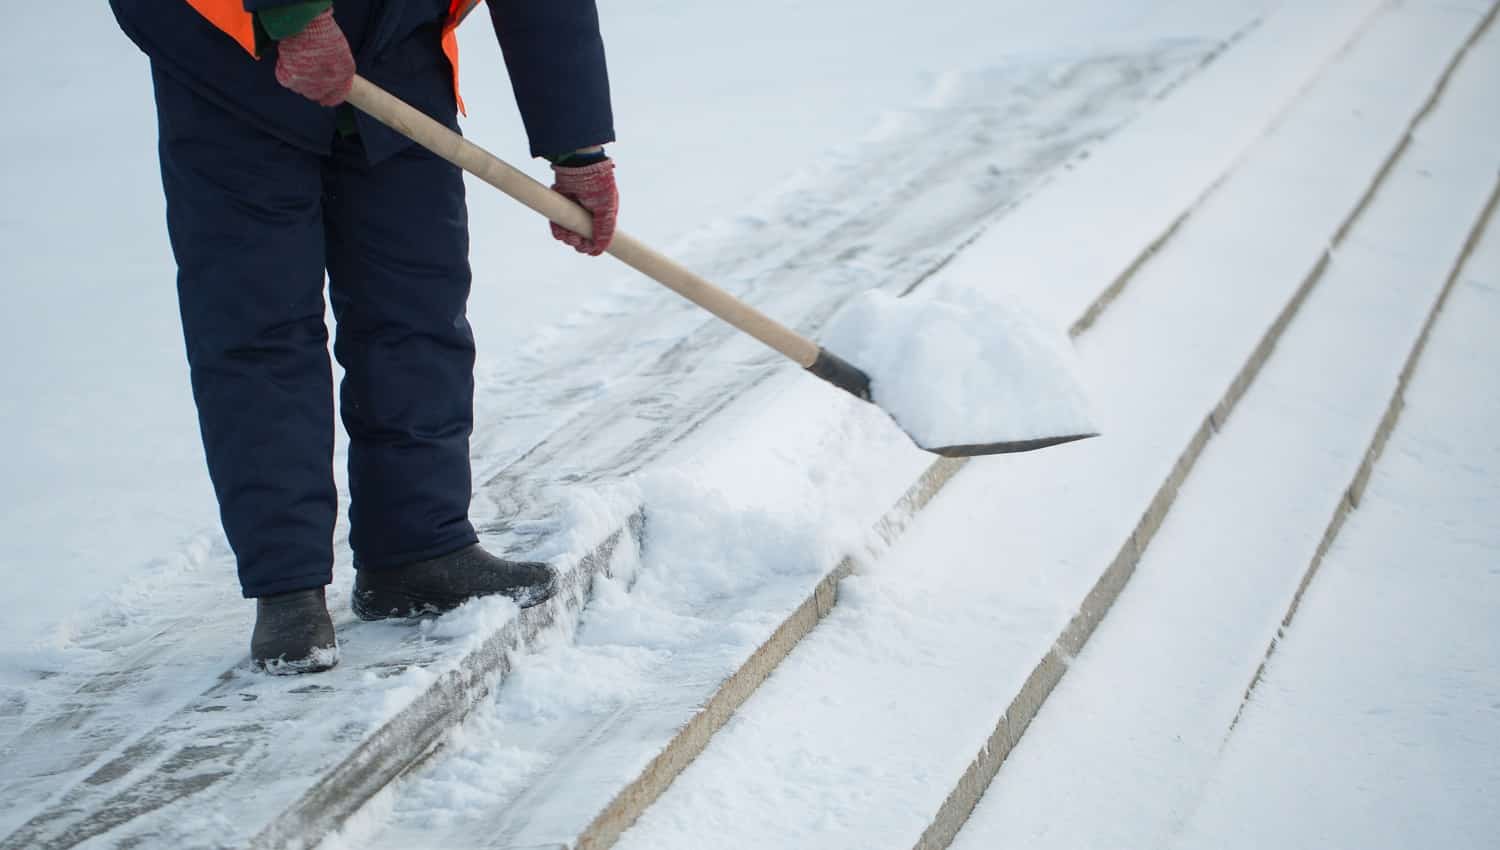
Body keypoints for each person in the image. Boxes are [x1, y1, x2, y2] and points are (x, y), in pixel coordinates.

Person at [108, 0, 619, 674]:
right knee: (259, 322)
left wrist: (576, 144)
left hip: (393, 40)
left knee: (416, 297)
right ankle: (288, 586)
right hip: (227, 49)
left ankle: (417, 549)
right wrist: (293, 15)